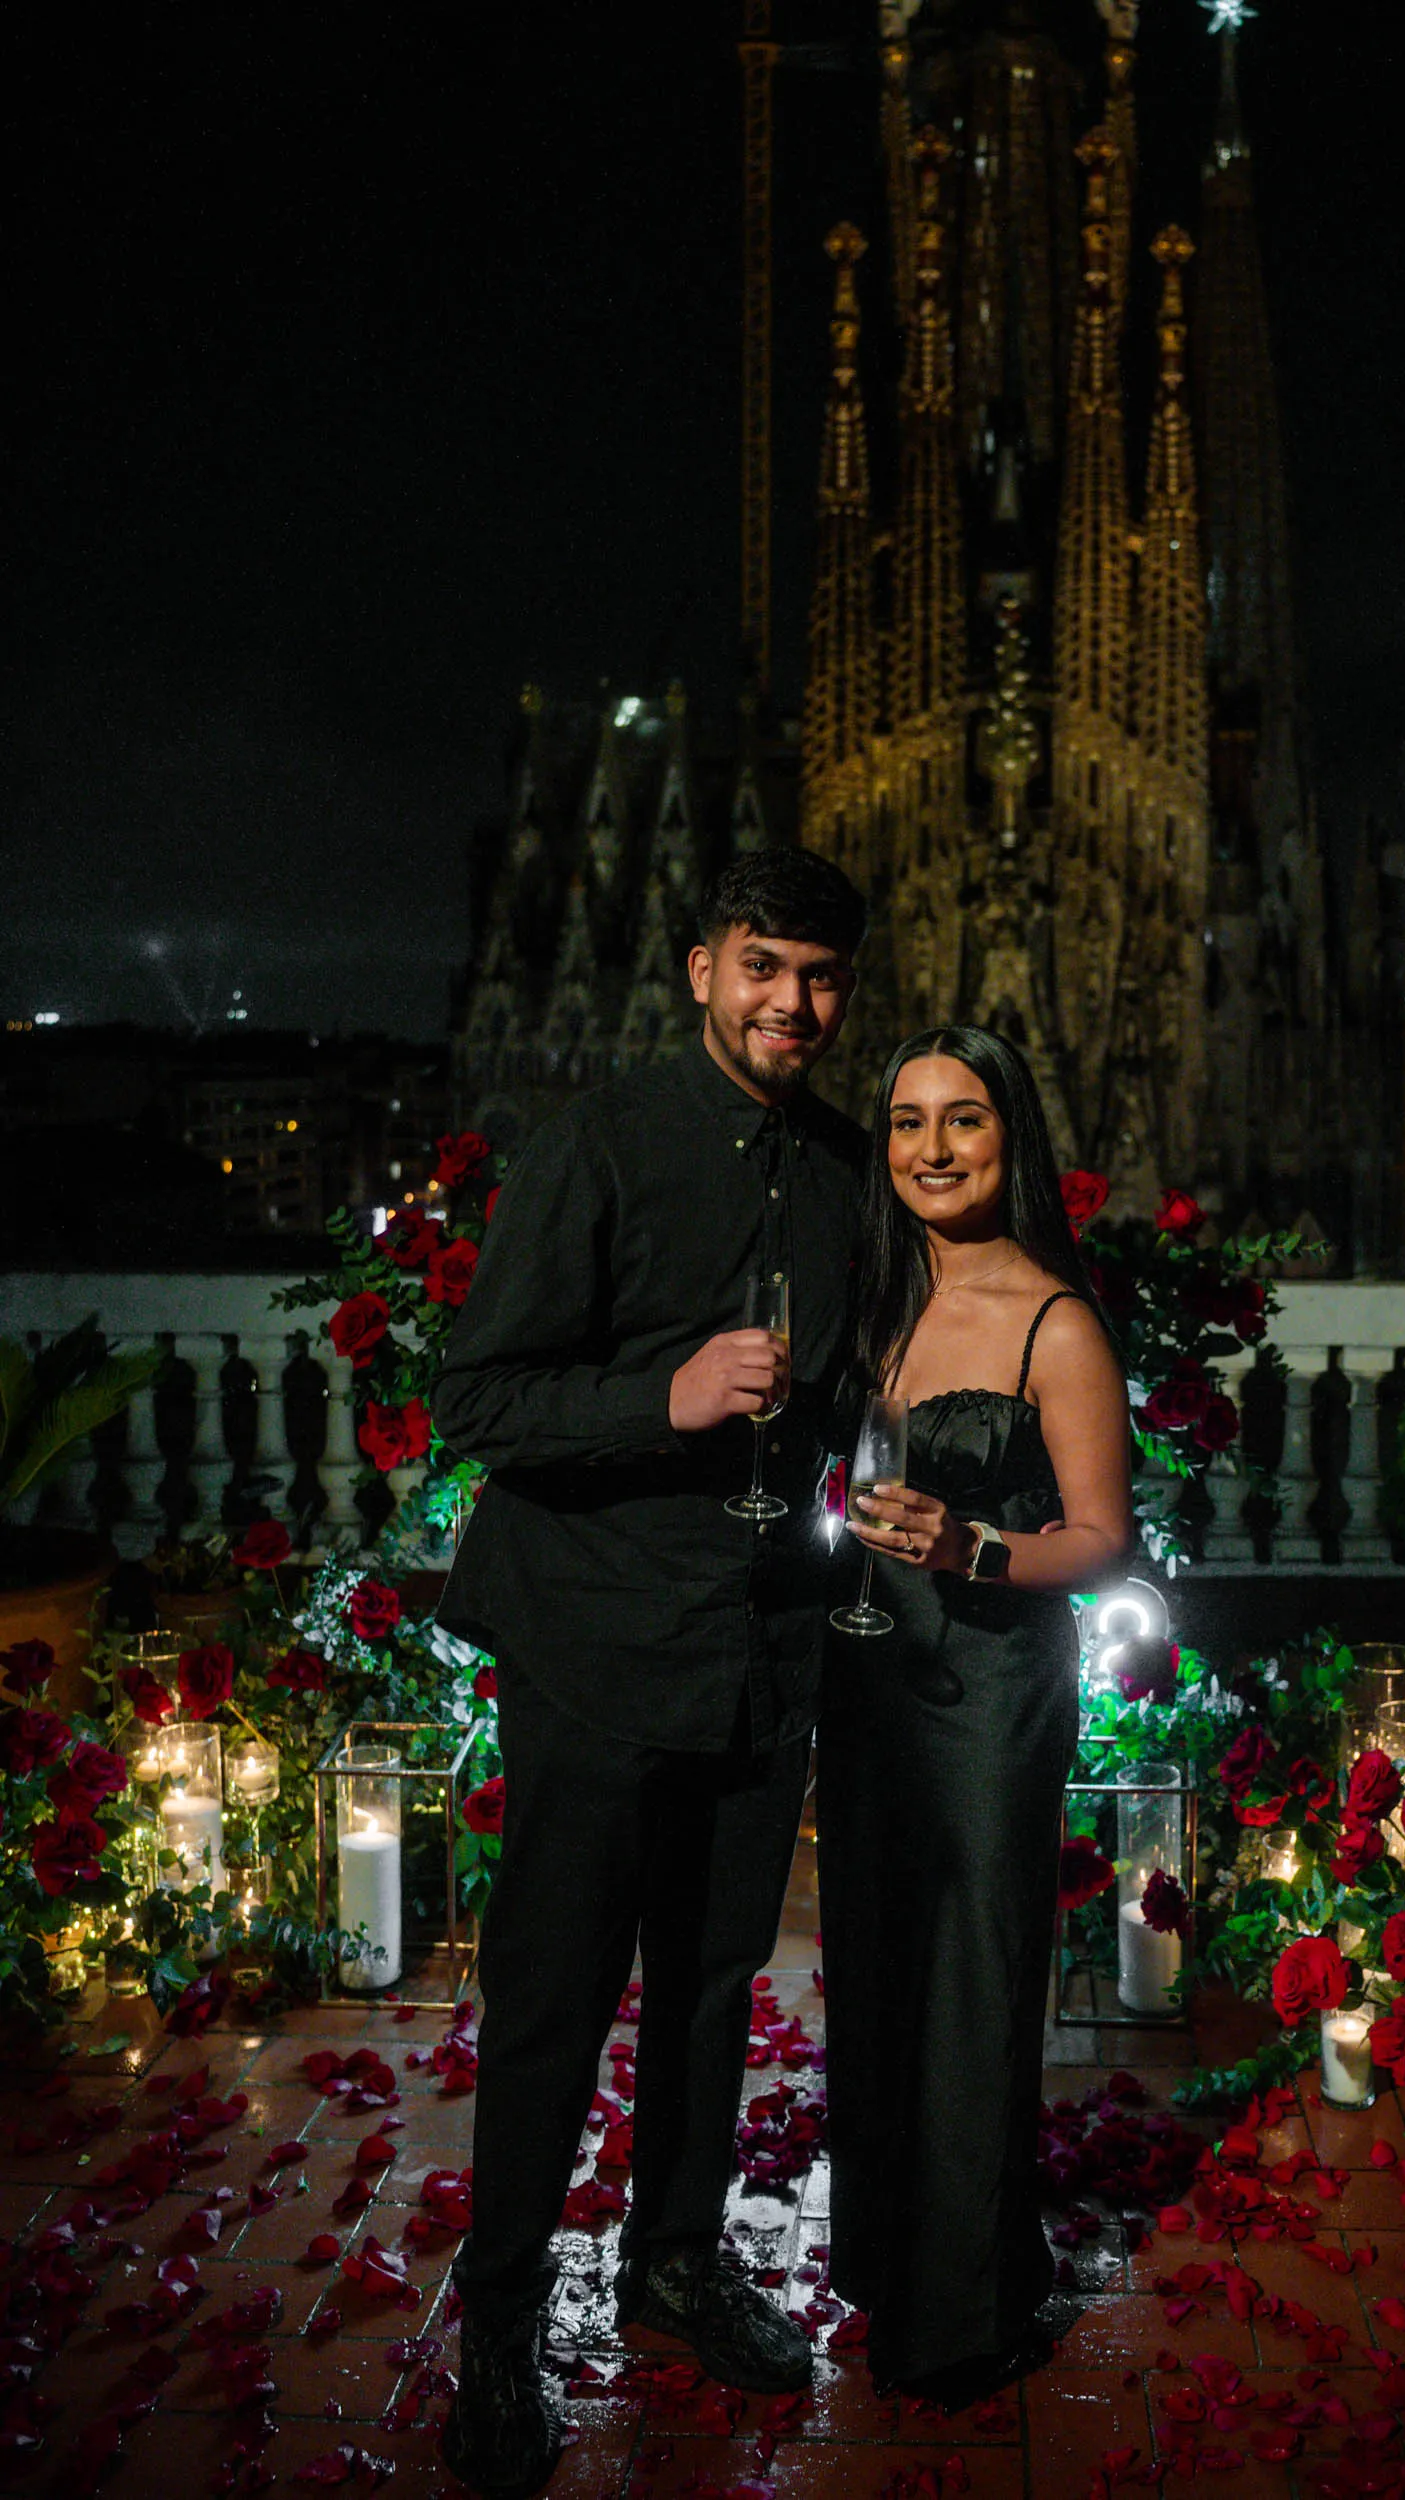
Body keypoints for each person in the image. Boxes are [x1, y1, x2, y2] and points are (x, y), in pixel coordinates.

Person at [430, 848, 868, 2500]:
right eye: (763, 966)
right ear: (700, 969)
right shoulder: (596, 1141)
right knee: (552, 1996)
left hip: (762, 1633)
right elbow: (477, 1400)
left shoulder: (839, 1168)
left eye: (819, 977)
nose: (790, 1004)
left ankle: (675, 2264)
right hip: (598, 1638)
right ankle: (500, 2325)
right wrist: (661, 1397)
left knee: (707, 1979)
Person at [815, 1024, 1132, 2408]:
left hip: (991, 1695)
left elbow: (1102, 1541)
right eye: (904, 1123)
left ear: (1013, 1140)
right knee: (881, 1968)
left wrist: (975, 1551)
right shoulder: (877, 1300)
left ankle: (961, 2307)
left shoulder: (1055, 1321)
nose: (931, 1149)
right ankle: (892, 2258)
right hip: (876, 1679)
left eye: (963, 1121)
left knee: (969, 1985)